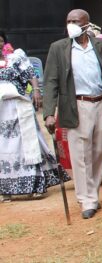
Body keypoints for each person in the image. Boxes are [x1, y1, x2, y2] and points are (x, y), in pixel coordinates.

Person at [43, 10, 102, 219]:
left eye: (75, 21)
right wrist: (49, 113)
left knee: (100, 150)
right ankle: (87, 199)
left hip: (101, 103)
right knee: (81, 154)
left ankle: (92, 191)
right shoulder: (59, 48)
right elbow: (51, 81)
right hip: (76, 105)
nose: (71, 24)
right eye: (68, 21)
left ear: (86, 24)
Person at [0, 32, 68, 201]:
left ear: (4, 43)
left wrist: (37, 91)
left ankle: (35, 185)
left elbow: (31, 73)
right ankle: (6, 190)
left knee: (27, 145)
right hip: (1, 112)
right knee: (4, 149)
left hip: (19, 106)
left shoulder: (16, 57)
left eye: (0, 41)